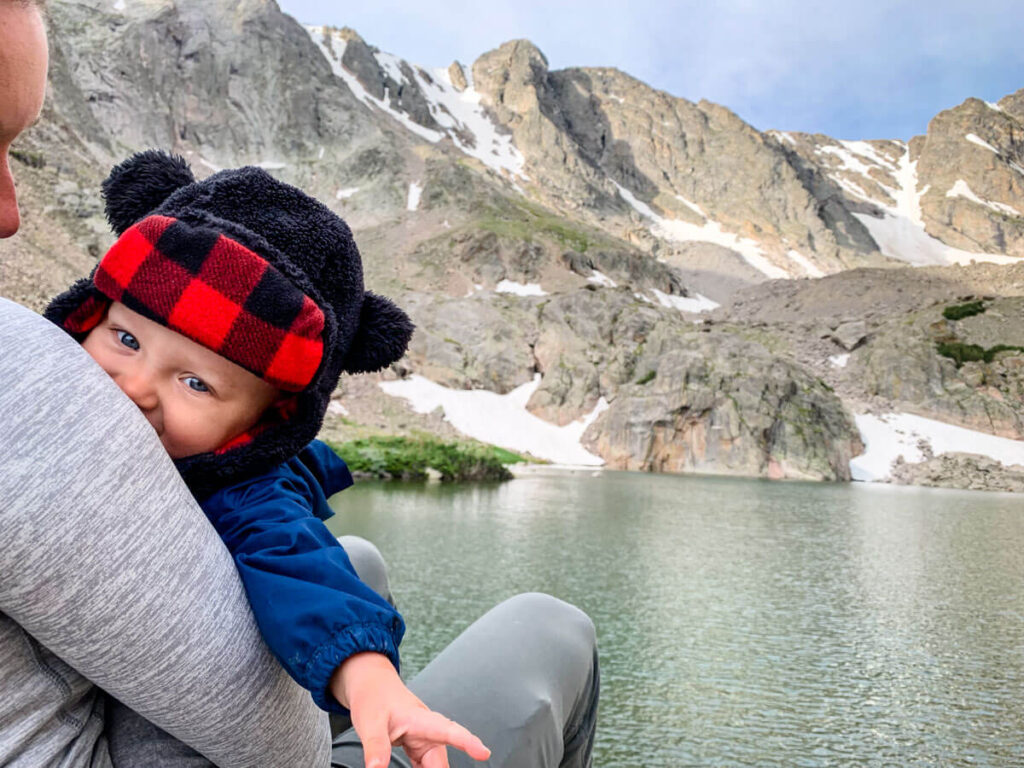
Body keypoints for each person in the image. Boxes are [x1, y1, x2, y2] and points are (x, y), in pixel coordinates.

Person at [2, 4, 600, 766]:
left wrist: (365, 669)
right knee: (553, 628)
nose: (135, 389)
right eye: (123, 338)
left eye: (193, 381)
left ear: (259, 425)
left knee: (351, 562)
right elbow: (283, 749)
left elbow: (288, 551)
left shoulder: (236, 485)